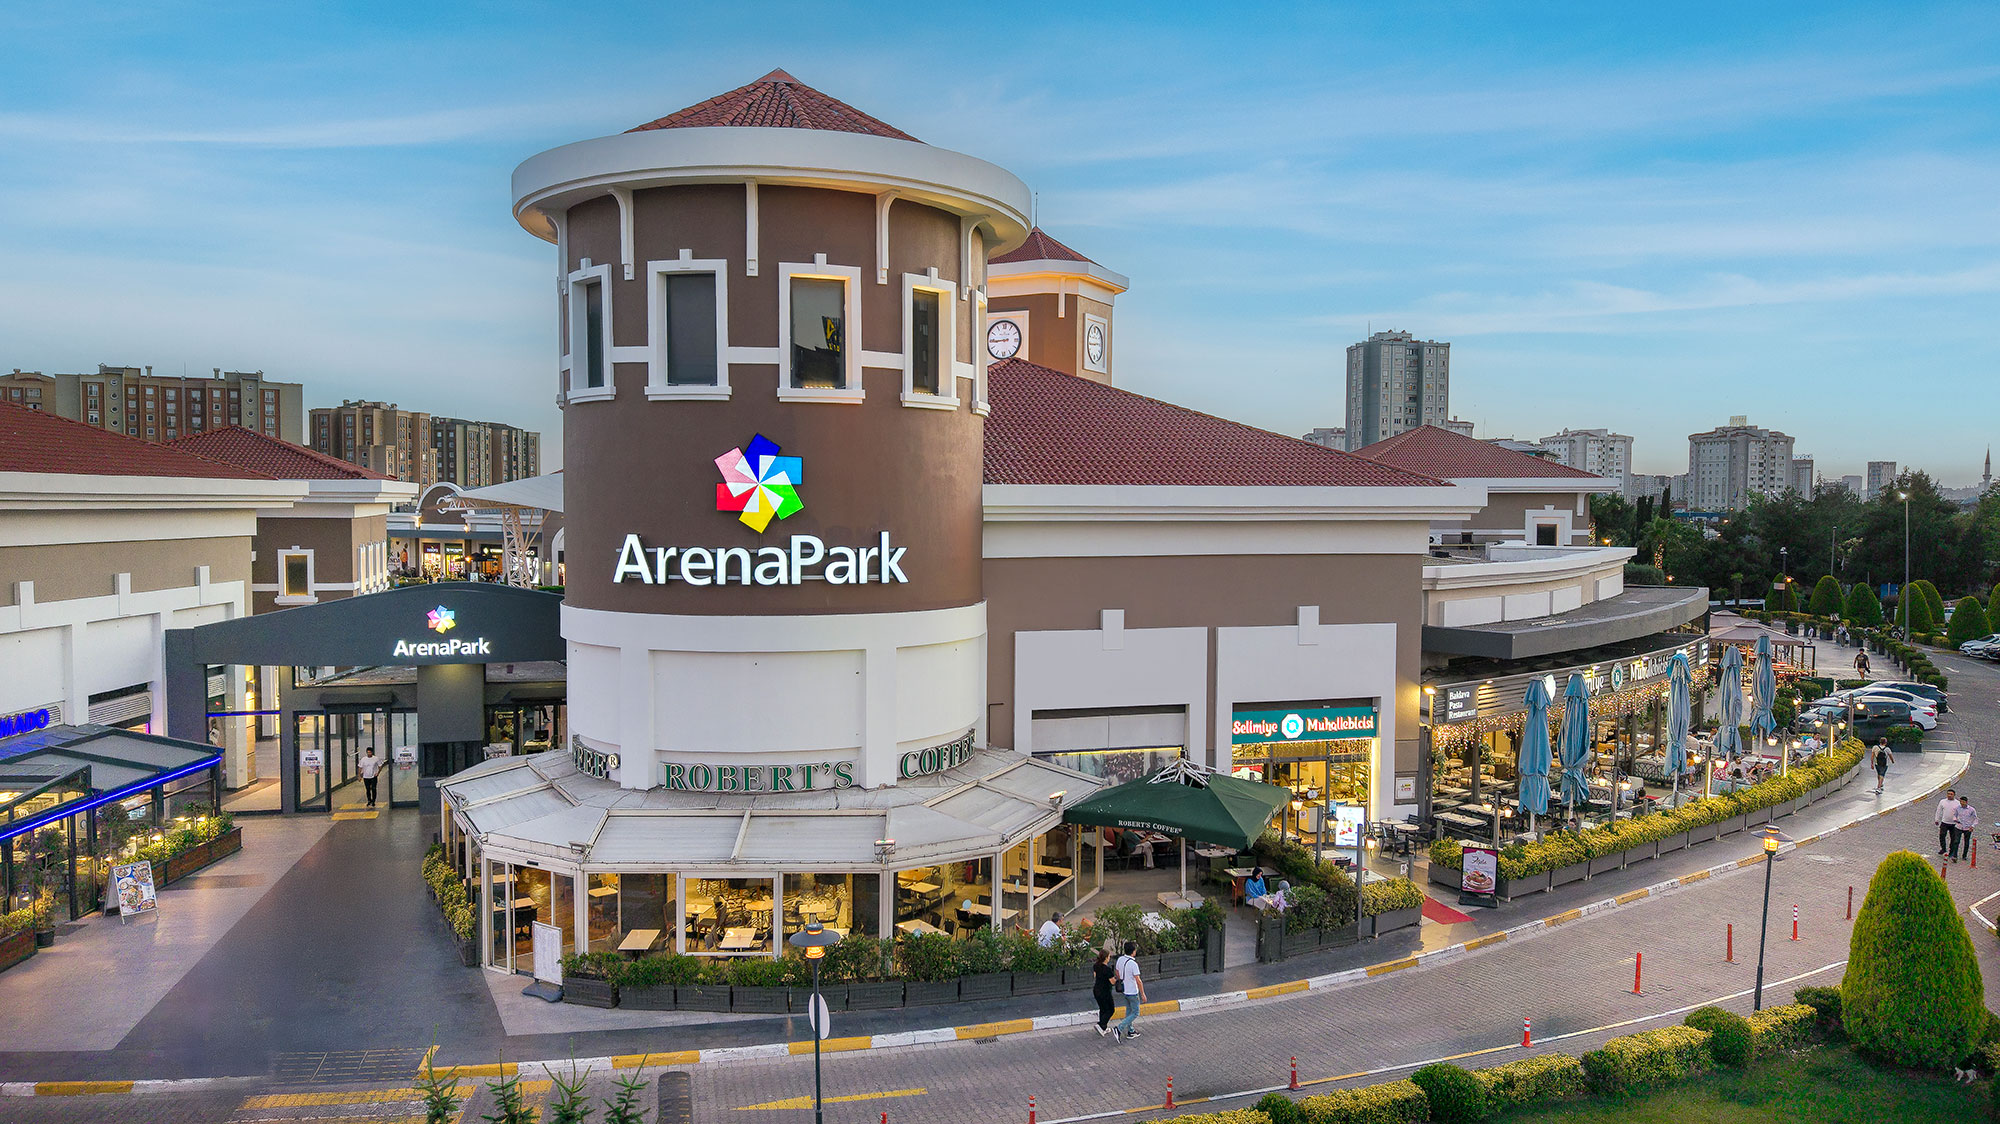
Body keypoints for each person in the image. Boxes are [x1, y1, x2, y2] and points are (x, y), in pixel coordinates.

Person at [1113, 939, 1145, 1041]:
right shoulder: (1133, 964)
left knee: (1129, 1011)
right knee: (1135, 1012)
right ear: (1133, 951)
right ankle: (1119, 1028)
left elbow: (1117, 972)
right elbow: (1138, 981)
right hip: (1133, 991)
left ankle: (1130, 1031)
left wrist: (1122, 979)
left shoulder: (1120, 959)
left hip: (1124, 990)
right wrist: (1143, 994)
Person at [1090, 948, 1117, 1037]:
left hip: (1096, 990)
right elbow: (1112, 982)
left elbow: (1095, 976)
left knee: (1103, 1008)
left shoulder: (1096, 966)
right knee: (1111, 1009)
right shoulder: (1107, 970)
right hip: (1105, 992)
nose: (1109, 958)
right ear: (1106, 958)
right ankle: (1101, 1025)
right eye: (1109, 956)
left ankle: (1103, 1028)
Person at [1954, 797, 1979, 863]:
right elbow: (1954, 815)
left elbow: (1976, 819)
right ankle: (1955, 855)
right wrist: (1955, 820)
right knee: (1956, 841)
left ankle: (1964, 855)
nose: (1962, 803)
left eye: (1963, 802)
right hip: (1959, 826)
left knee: (1966, 842)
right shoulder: (1957, 808)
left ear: (1966, 802)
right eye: (1961, 802)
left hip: (1967, 828)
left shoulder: (1971, 809)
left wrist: (1972, 826)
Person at [1938, 789, 1960, 856]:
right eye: (1948, 794)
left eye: (1951, 794)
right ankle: (1943, 848)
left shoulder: (1958, 803)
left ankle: (1951, 851)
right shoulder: (1942, 801)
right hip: (1944, 822)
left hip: (1953, 824)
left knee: (1953, 838)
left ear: (1954, 795)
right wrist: (1937, 819)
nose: (1949, 795)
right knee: (1942, 836)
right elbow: (1939, 811)